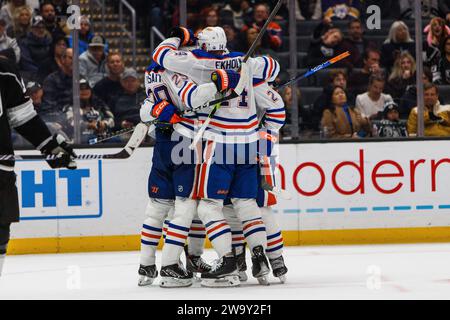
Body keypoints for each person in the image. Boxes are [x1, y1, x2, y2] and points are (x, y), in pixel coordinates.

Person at [152, 26, 275, 287]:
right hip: (250, 141)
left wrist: (176, 35)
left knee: (206, 206)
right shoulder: (245, 60)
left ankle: (227, 260)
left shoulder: (198, 62)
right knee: (245, 202)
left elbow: (161, 55)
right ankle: (260, 256)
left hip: (218, 143)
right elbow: (273, 68)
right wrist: (251, 65)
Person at [0, 56, 76, 278]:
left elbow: (22, 116)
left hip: (0, 171)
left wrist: (49, 146)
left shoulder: (4, 69)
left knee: (0, 232)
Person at [65, 78, 115, 144]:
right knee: (92, 139)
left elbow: (111, 119)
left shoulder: (100, 105)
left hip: (102, 136)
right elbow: (71, 123)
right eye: (81, 89)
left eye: (87, 89)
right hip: (81, 139)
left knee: (116, 140)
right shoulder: (69, 107)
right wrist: (89, 125)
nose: (84, 91)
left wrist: (104, 123)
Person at [40, 48, 73, 124]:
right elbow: (48, 107)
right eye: (71, 58)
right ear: (62, 59)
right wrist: (66, 117)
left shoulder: (80, 79)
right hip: (60, 121)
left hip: (78, 118)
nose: (74, 62)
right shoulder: (51, 80)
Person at [18, 15, 52, 79]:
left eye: (43, 27)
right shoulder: (24, 43)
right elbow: (26, 63)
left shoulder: (49, 41)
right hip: (31, 74)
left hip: (48, 74)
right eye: (37, 27)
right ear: (31, 28)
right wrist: (42, 73)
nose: (41, 30)